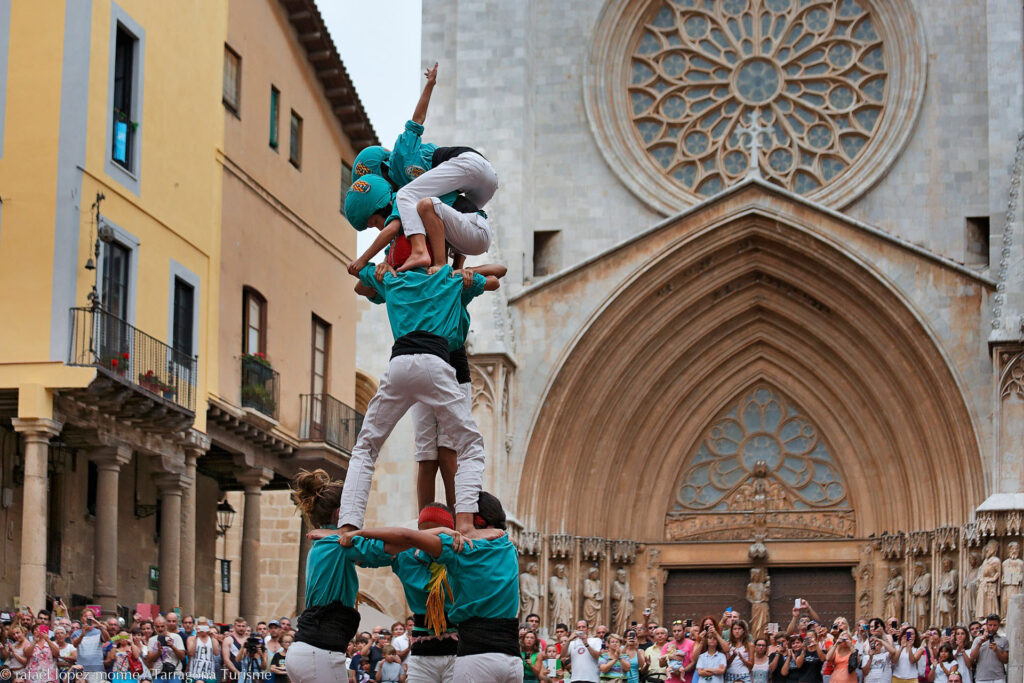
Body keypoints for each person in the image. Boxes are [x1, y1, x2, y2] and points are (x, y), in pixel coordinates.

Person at [343, 247, 500, 537]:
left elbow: (355, 274)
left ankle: (348, 524)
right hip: (437, 363)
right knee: (469, 445)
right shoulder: (446, 280)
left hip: (400, 363)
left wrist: (375, 264)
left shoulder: (393, 280)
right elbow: (496, 279)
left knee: (366, 446)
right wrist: (460, 273)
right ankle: (463, 523)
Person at [338, 492, 519, 682]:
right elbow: (358, 554)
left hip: (459, 651)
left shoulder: (458, 550)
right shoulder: (405, 555)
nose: (427, 540)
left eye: (438, 531)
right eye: (424, 533)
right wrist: (339, 537)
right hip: (423, 654)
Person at [348, 63, 498, 274]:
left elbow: (417, 119)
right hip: (485, 184)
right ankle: (451, 266)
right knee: (442, 217)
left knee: (407, 195)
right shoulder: (424, 195)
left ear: (382, 170)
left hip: (467, 162)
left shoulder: (401, 157)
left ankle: (420, 252)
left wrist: (430, 84)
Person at [286, 469, 391, 683]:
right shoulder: (338, 544)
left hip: (305, 651)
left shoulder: (323, 544)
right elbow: (385, 552)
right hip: (320, 651)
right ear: (340, 514)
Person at [145, 615, 186, 682]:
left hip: (175, 673)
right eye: (157, 627)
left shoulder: (176, 637)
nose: (160, 629)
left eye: (162, 626)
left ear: (166, 625)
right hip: (158, 673)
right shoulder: (152, 640)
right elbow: (149, 659)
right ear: (154, 627)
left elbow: (182, 657)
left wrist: (172, 646)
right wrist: (158, 651)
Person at [968, 615, 1007, 683]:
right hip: (982, 678)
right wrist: (980, 643)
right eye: (990, 625)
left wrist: (996, 651)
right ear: (986, 625)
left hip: (998, 678)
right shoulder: (977, 640)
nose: (992, 628)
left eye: (995, 625)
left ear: (998, 625)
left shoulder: (1003, 640)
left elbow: (1006, 660)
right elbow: (972, 657)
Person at [73, 608, 109, 683]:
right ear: (82, 619)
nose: (88, 618)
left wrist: (99, 625)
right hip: (81, 668)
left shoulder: (99, 632)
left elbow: (107, 639)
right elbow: (75, 645)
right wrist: (82, 635)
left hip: (97, 669)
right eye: (85, 616)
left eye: (90, 616)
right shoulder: (76, 633)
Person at [187, 617, 220, 683]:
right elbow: (191, 653)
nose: (203, 629)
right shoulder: (191, 639)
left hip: (210, 674)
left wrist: (211, 637)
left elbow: (216, 653)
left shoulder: (213, 640)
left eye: (205, 627)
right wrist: (197, 636)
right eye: (201, 626)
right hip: (194, 673)